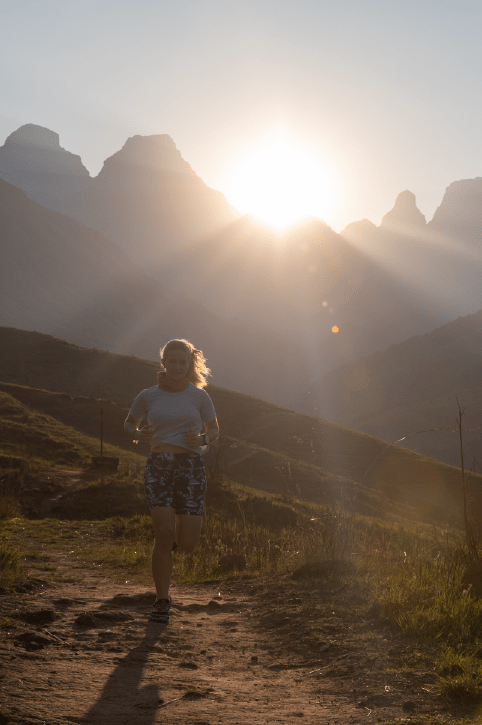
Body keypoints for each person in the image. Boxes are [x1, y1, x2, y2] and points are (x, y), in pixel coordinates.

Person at [124, 339, 219, 625]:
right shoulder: (148, 395)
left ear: (190, 364)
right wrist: (138, 433)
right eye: (172, 361)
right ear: (164, 363)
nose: (177, 367)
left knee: (188, 544)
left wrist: (202, 439)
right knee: (163, 535)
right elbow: (129, 423)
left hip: (190, 468)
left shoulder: (199, 396)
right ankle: (162, 600)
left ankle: (173, 546)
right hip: (159, 467)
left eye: (183, 362)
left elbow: (214, 430)